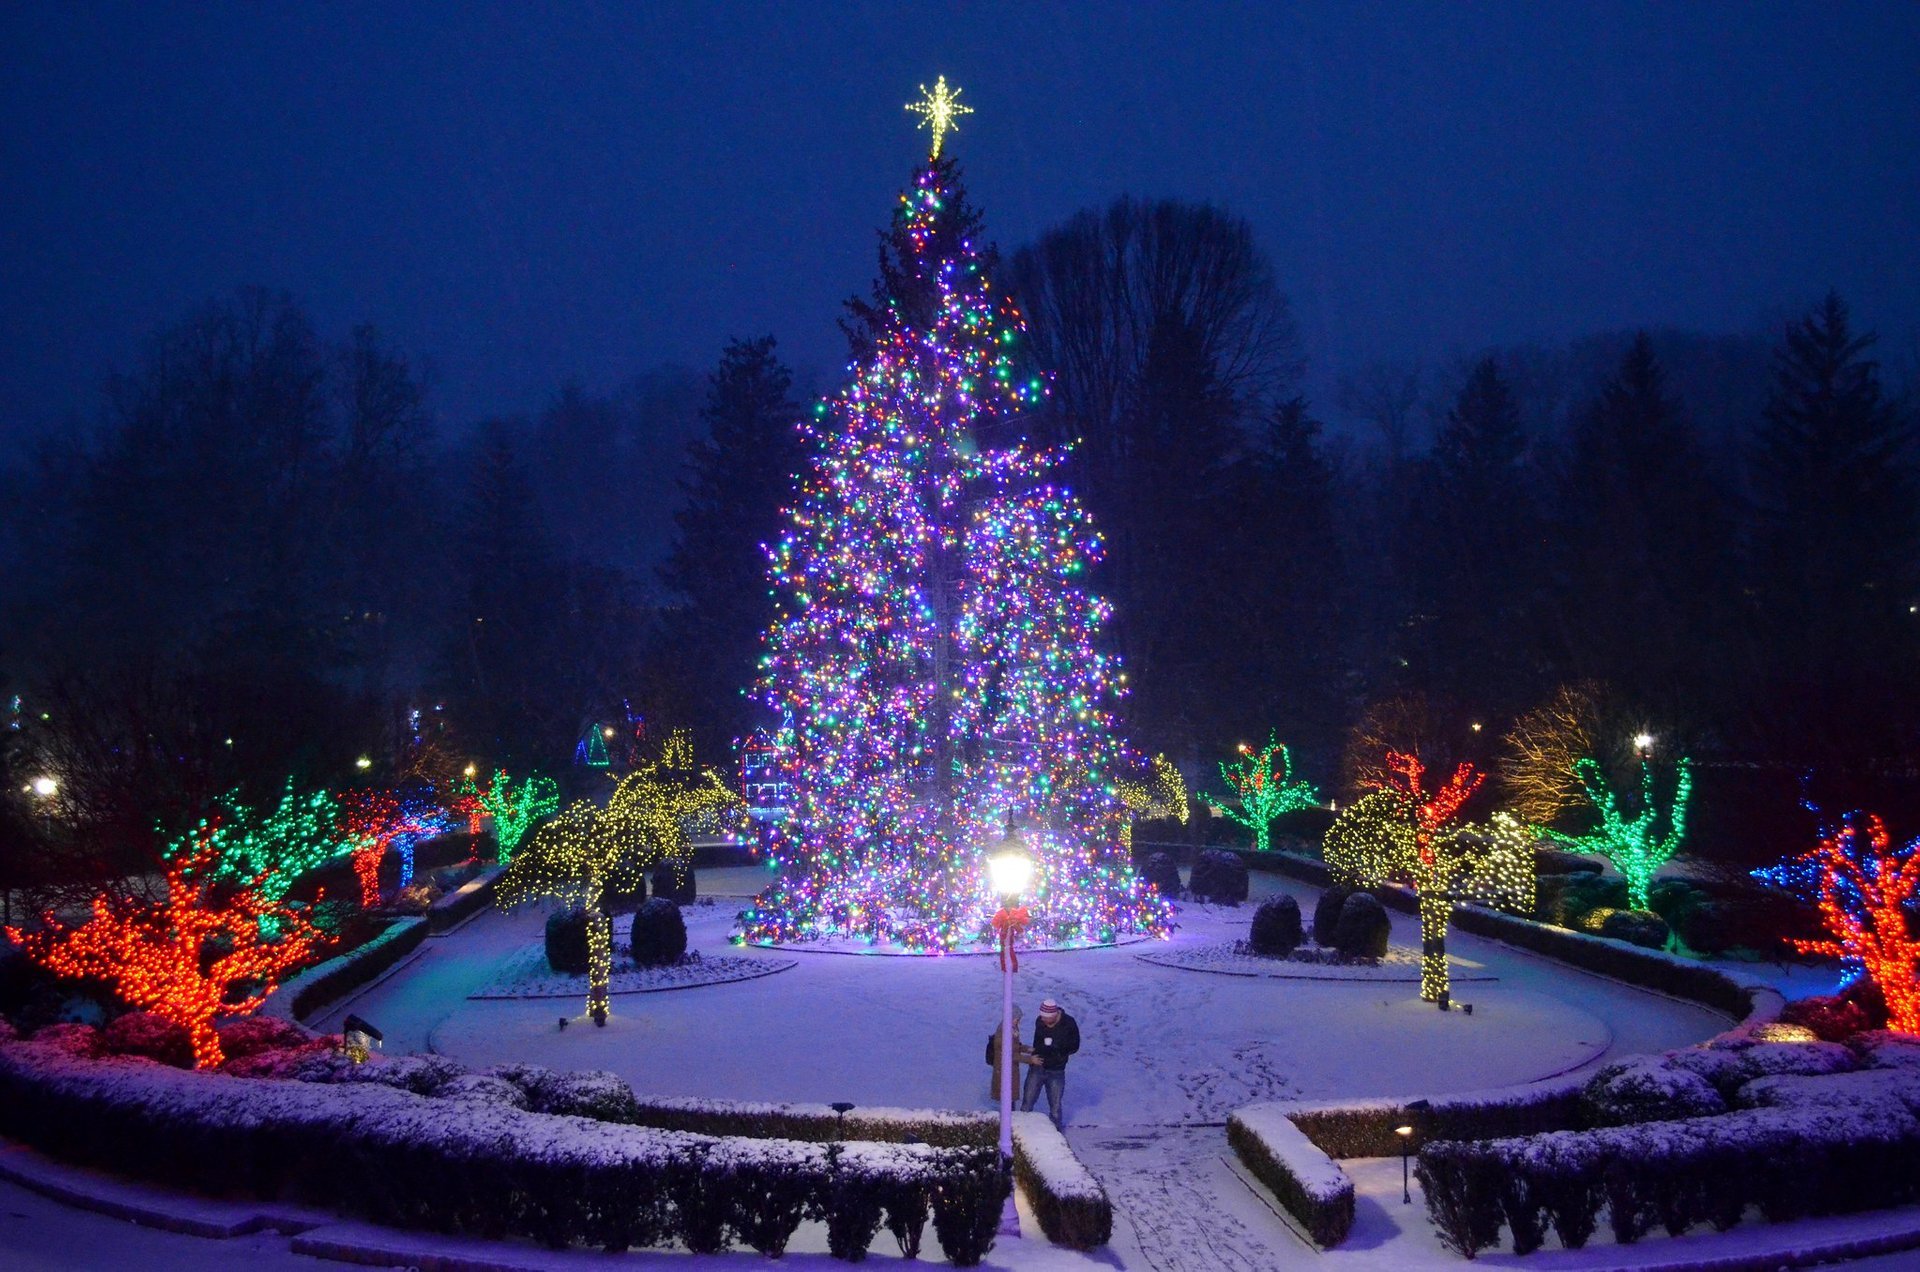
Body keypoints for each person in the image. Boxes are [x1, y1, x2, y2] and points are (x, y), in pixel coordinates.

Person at [1020, 998, 1080, 1128]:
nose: (1043, 1020)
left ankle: (1055, 1135)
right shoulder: (1040, 1022)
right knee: (1027, 1102)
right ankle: (1022, 1131)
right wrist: (1035, 1055)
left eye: (1046, 1018)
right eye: (1042, 1017)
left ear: (1054, 1015)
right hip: (1037, 1066)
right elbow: (1037, 1042)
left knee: (1055, 1107)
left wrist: (1057, 1048)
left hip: (1056, 1070)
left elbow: (1075, 1046)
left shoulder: (1068, 1023)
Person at [984, 1005, 1032, 1103]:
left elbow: (1014, 1046)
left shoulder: (1012, 1028)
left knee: (1009, 1097)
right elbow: (1009, 1054)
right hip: (1004, 1070)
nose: (1018, 1022)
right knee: (1007, 1097)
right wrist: (1030, 1059)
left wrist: (1027, 1049)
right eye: (1017, 1019)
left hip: (1010, 1069)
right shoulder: (1003, 1032)